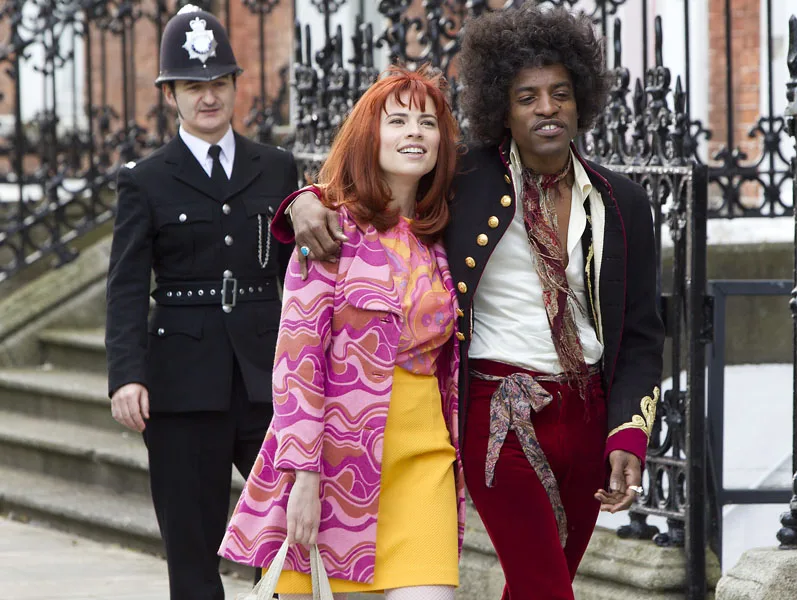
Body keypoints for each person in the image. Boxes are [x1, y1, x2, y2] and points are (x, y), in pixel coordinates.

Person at [271, 5, 665, 600]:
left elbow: (640, 334)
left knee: (543, 582)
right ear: (502, 107)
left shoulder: (624, 202)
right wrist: (303, 201)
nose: (547, 108)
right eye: (527, 96)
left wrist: (628, 432)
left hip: (587, 411)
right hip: (498, 410)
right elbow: (381, 184)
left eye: (560, 94)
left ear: (582, 100)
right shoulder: (465, 178)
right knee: (546, 589)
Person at [219, 65, 466, 600]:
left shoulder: (445, 232)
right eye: (397, 121)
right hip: (338, 465)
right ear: (369, 136)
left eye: (427, 123)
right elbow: (297, 363)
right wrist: (303, 476)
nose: (415, 132)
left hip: (425, 457)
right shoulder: (330, 229)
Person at [104, 5, 298, 599]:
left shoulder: (277, 168)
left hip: (267, 377)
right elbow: (127, 284)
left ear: (236, 85)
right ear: (171, 95)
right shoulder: (146, 179)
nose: (208, 97)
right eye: (193, 86)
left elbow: (298, 277)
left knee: (289, 541)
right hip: (182, 386)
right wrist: (126, 375)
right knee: (191, 554)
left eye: (218, 82)